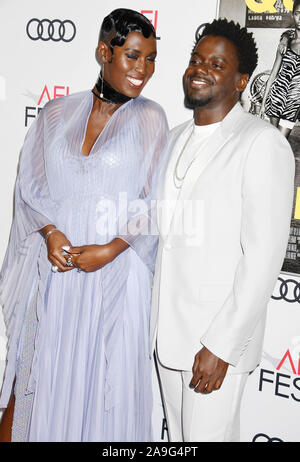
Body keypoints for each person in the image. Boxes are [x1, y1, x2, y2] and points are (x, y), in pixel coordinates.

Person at [0, 8, 168, 442]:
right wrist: (51, 232)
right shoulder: (55, 113)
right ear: (103, 51)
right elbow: (30, 186)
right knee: (30, 383)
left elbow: (154, 203)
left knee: (105, 396)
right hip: (55, 278)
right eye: (132, 56)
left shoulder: (151, 118)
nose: (142, 70)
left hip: (115, 280)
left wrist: (109, 249)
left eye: (150, 59)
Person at [150, 18, 295, 442]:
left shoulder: (262, 143)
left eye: (216, 64)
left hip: (214, 345)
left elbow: (263, 258)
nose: (200, 69)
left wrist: (222, 346)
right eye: (196, 59)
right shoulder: (173, 138)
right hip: (167, 336)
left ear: (241, 80)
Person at [260, 0, 300, 139]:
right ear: (292, 15)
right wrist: (263, 104)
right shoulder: (286, 42)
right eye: (297, 14)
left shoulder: (286, 37)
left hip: (293, 105)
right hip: (276, 98)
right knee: (270, 141)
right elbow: (273, 74)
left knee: (281, 142)